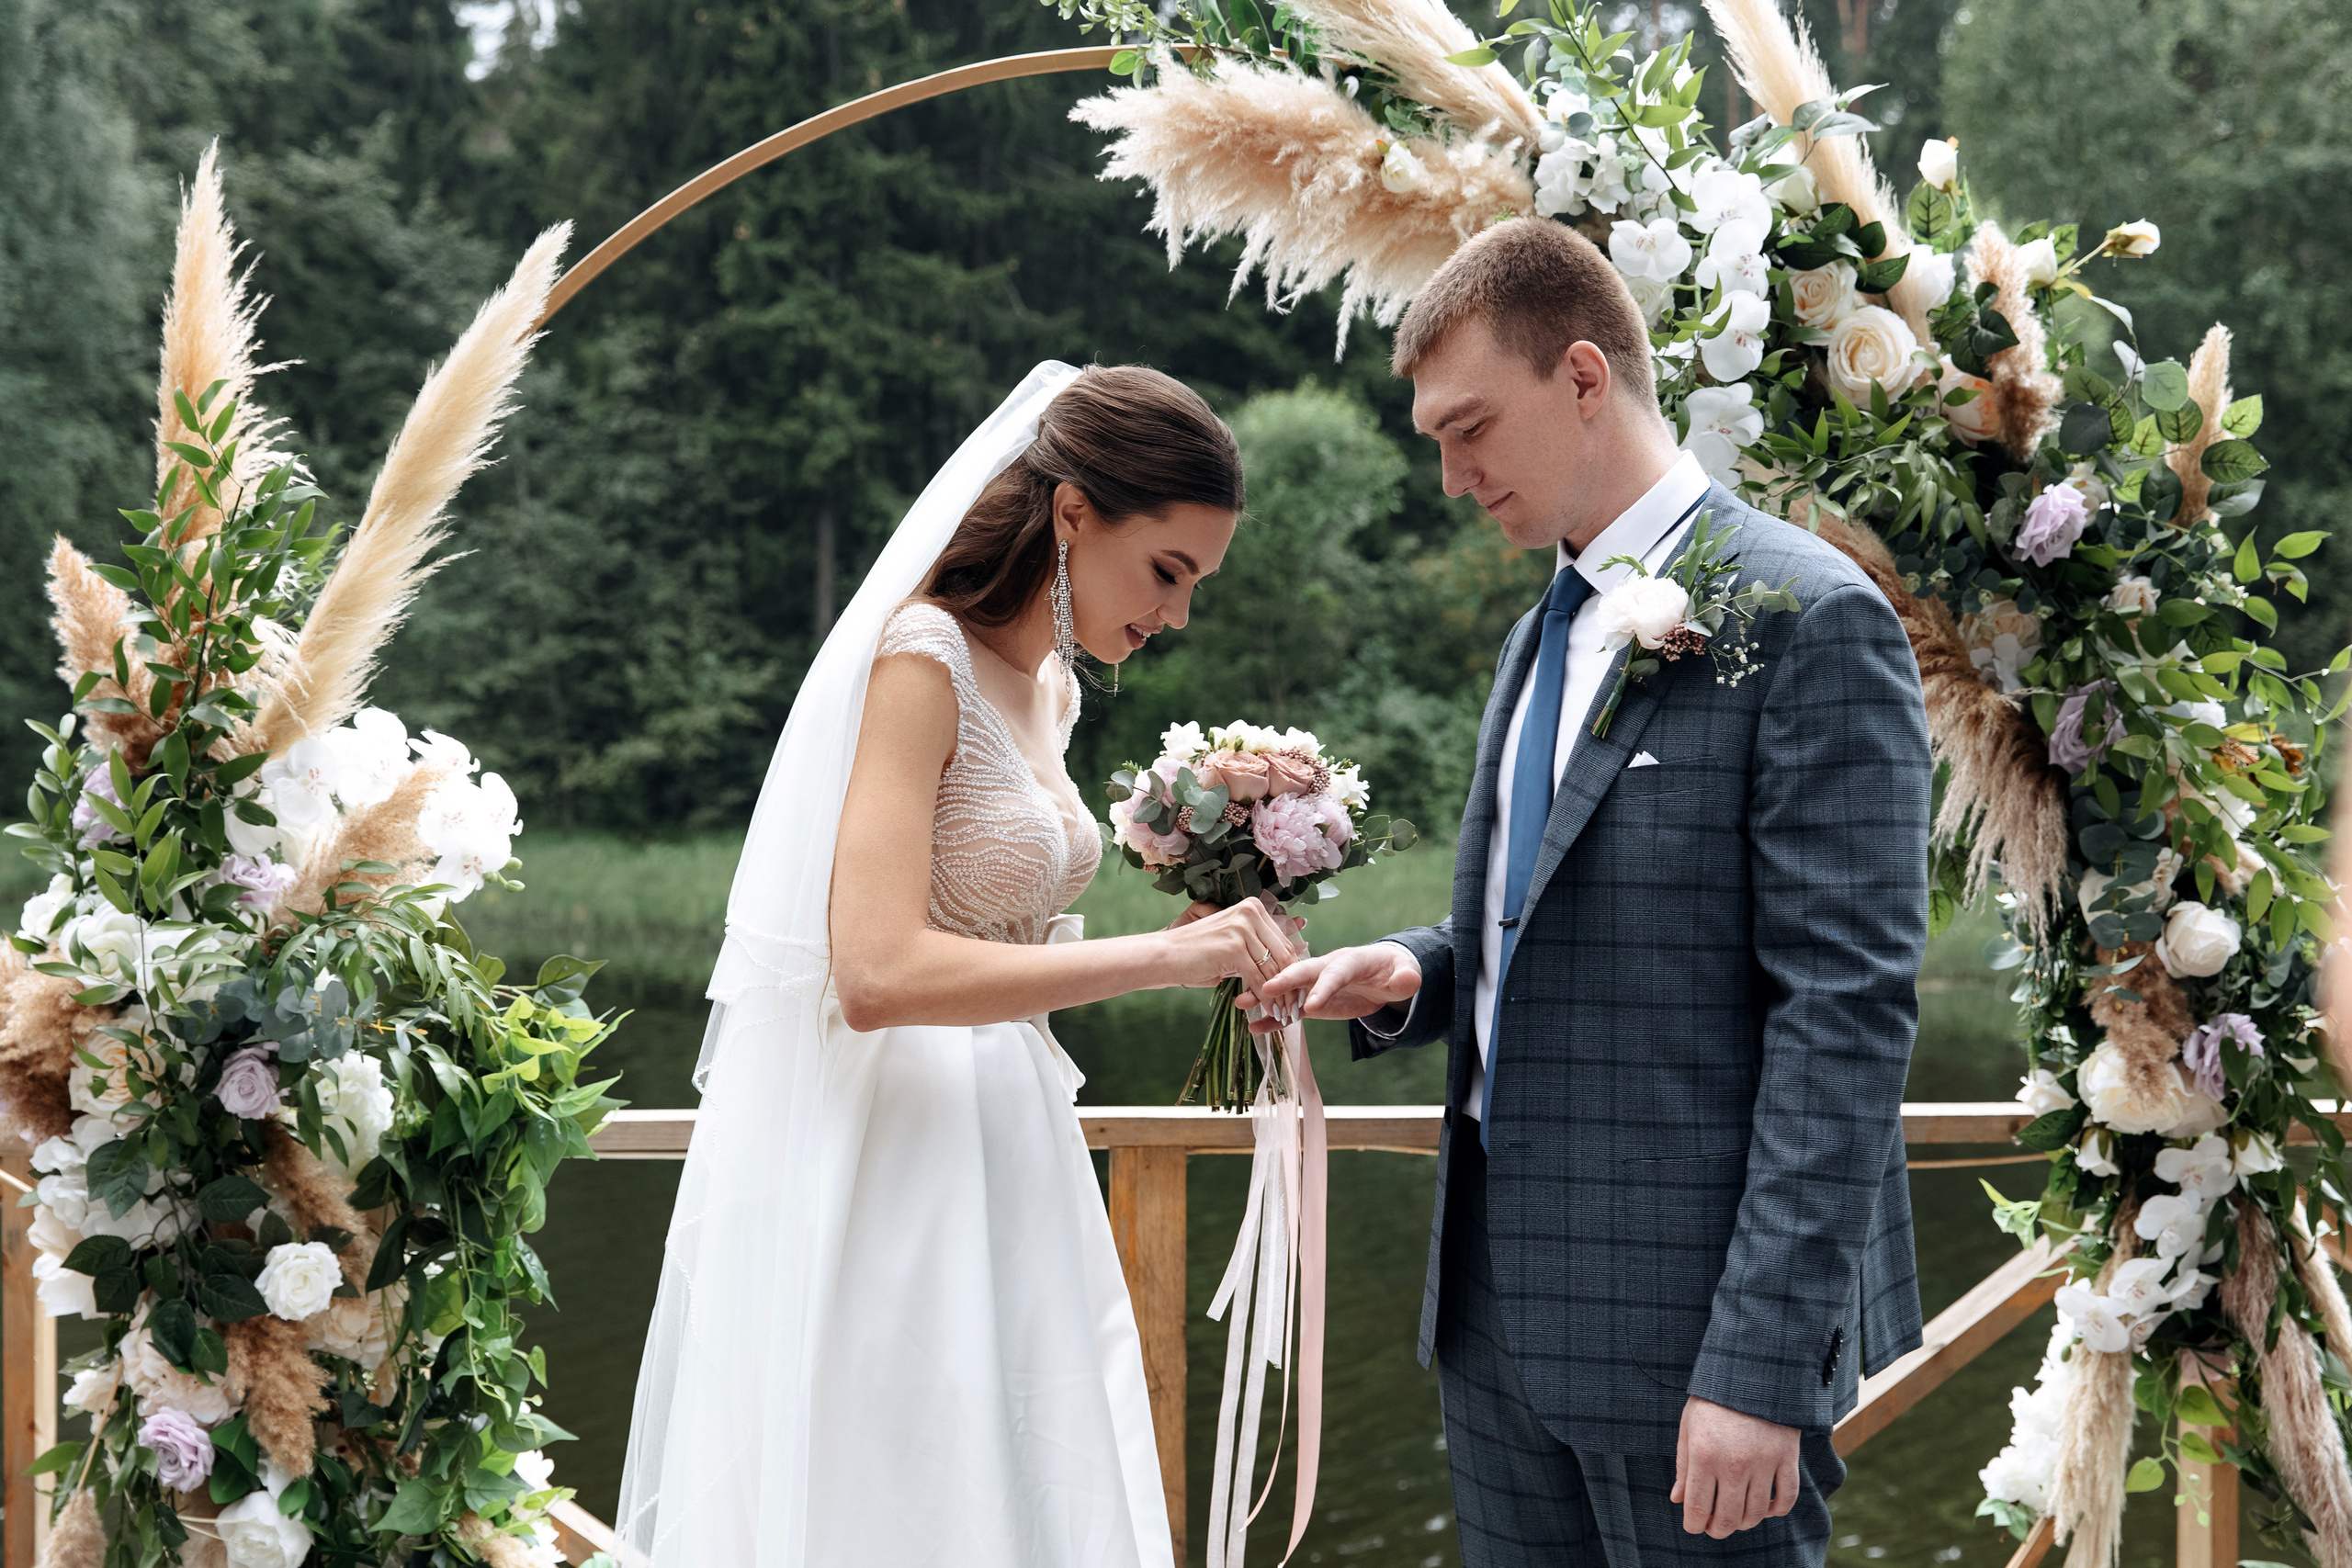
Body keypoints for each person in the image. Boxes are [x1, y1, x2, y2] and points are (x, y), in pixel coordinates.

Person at [1253, 220, 1933, 1567]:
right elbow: (1577, 907)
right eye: (1435, 442)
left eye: (1469, 430)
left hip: (1696, 1338)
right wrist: (1422, 971)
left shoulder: (1811, 619)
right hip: (1493, 1322)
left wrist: (1758, 1367)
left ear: (1580, 377)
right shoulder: (1538, 632)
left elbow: (1843, 1018)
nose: (1452, 478)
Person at [616, 363, 1301, 1567]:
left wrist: (1214, 910)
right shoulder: (919, 658)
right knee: (906, 1492)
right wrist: (1159, 956)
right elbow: (875, 972)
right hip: (901, 1147)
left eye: (1196, 582)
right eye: (1168, 570)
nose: (1179, 613)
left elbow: (1004, 920)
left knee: (1031, 1478)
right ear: (1074, 512)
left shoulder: (1051, 687)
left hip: (1013, 1132)